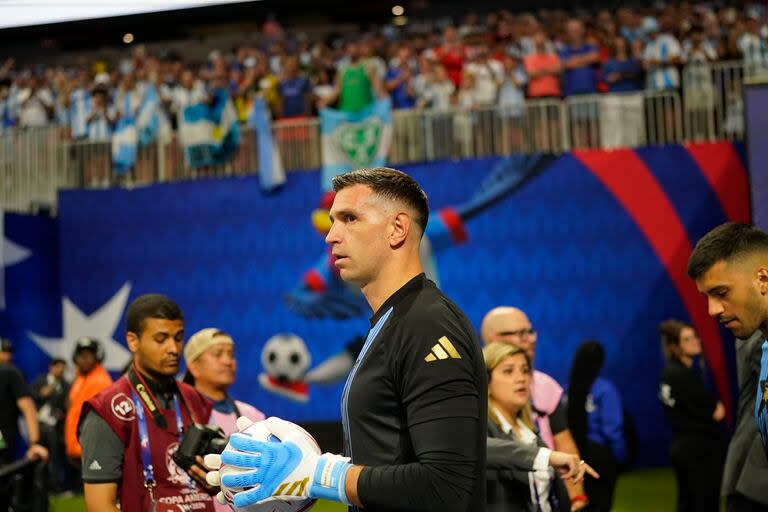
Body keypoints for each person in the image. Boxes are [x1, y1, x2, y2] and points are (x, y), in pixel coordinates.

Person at [205, 167, 487, 512]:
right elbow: (387, 462)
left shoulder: (428, 324)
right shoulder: (390, 323)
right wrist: (292, 484)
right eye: (332, 220)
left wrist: (320, 473)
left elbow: (447, 487)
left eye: (349, 218)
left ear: (397, 229)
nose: (331, 236)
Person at [78, 294, 216, 512]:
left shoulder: (195, 399)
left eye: (178, 337)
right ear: (133, 341)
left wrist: (219, 481)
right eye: (161, 339)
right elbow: (99, 506)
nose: (173, 348)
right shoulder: (107, 410)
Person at [687, 222, 768, 511]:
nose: (712, 310)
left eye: (721, 293)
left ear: (763, 279)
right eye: (707, 297)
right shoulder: (762, 346)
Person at [481, 306, 590, 511]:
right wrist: (547, 456)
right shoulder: (476, 420)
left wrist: (576, 496)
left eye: (525, 371)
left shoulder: (528, 428)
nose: (521, 379)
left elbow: (564, 442)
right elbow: (478, 448)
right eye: (508, 371)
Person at [657, 319, 725, 512]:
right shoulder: (681, 375)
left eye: (695, 336)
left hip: (685, 448)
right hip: (698, 451)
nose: (695, 341)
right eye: (687, 339)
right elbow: (717, 411)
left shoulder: (670, 373)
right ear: (675, 347)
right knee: (703, 502)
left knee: (689, 502)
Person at [567, 340, 626, 512]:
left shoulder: (567, 390)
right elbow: (613, 429)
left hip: (574, 454)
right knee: (601, 504)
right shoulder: (605, 389)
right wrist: (620, 457)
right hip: (600, 456)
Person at [0, 355, 49, 511]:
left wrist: (34, 444)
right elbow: (27, 407)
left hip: (5, 457)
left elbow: (28, 407)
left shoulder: (8, 373)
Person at [64, 337, 113, 464]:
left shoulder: (101, 381)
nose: (84, 359)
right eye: (81, 355)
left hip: (91, 452)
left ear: (97, 357)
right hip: (77, 449)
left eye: (89, 355)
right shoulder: (80, 378)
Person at [31, 358, 71, 492]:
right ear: (51, 367)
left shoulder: (65, 385)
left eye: (63, 368)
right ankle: (37, 485)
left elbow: (68, 405)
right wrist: (43, 394)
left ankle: (54, 487)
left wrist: (62, 412)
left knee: (55, 457)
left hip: (54, 426)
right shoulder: (40, 381)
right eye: (58, 367)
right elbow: (31, 399)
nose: (60, 371)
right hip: (38, 424)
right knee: (37, 457)